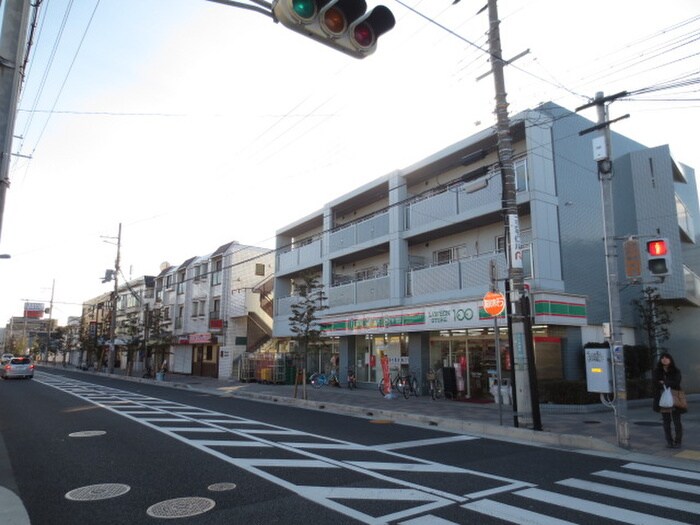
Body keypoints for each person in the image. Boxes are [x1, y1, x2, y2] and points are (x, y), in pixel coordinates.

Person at [652, 352, 685, 448]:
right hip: (663, 399)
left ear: (670, 360)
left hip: (675, 398)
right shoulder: (657, 371)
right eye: (662, 358)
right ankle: (669, 442)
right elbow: (655, 383)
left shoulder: (676, 371)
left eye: (666, 358)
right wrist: (667, 383)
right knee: (666, 421)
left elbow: (677, 382)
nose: (664, 359)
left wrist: (664, 382)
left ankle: (678, 441)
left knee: (676, 421)